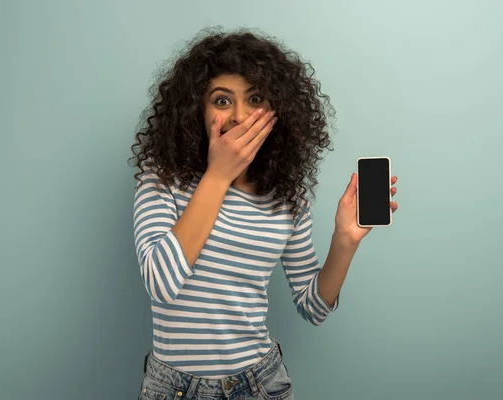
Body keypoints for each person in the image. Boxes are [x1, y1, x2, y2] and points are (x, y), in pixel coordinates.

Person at [130, 27, 398, 400]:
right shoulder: (162, 178)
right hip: (174, 389)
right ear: (197, 108)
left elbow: (314, 307)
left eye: (255, 98)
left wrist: (344, 240)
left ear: (275, 110)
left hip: (260, 385)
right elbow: (161, 282)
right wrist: (219, 175)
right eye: (222, 101)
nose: (240, 116)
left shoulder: (286, 198)